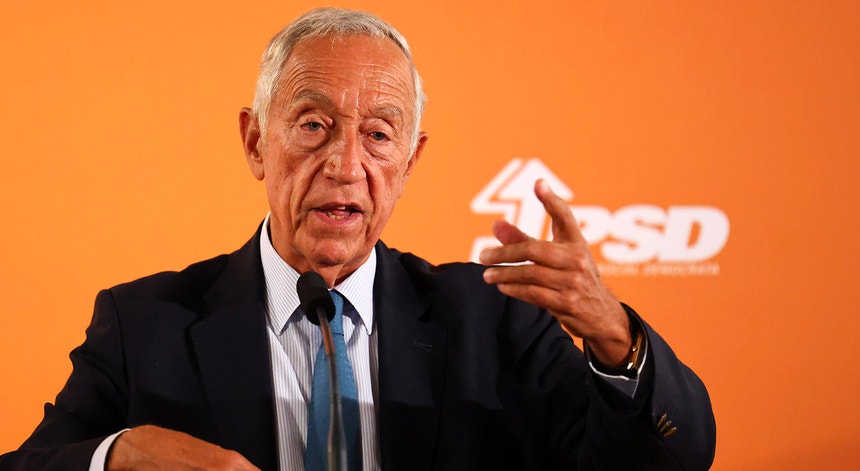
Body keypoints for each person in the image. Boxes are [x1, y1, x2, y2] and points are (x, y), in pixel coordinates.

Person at [0, 7, 715, 471]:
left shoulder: (494, 319)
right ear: (256, 142)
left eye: (378, 134)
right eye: (313, 125)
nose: (345, 165)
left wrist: (617, 338)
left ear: (410, 161)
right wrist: (118, 454)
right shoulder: (144, 324)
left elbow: (672, 460)